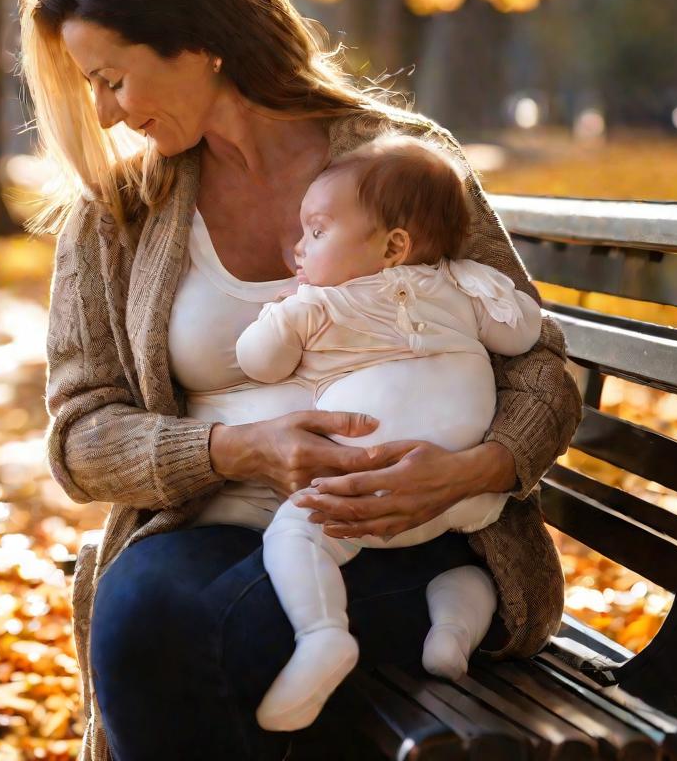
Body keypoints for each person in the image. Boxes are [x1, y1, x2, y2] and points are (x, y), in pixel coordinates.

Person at [24, 0, 583, 761]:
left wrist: (475, 466)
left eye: (114, 79)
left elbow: (540, 366)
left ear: (202, 41)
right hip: (209, 530)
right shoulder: (117, 214)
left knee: (176, 638)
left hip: (414, 543)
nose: (104, 115)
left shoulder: (398, 164)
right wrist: (238, 451)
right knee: (146, 610)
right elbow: (80, 438)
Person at [193, 133, 543, 731]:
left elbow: (259, 360)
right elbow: (522, 334)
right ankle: (454, 626)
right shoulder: (458, 284)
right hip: (464, 494)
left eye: (316, 232)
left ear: (392, 245)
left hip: (360, 491)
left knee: (297, 537)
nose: (298, 250)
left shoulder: (320, 306)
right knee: (459, 569)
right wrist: (487, 288)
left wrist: (281, 312)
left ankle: (323, 633)